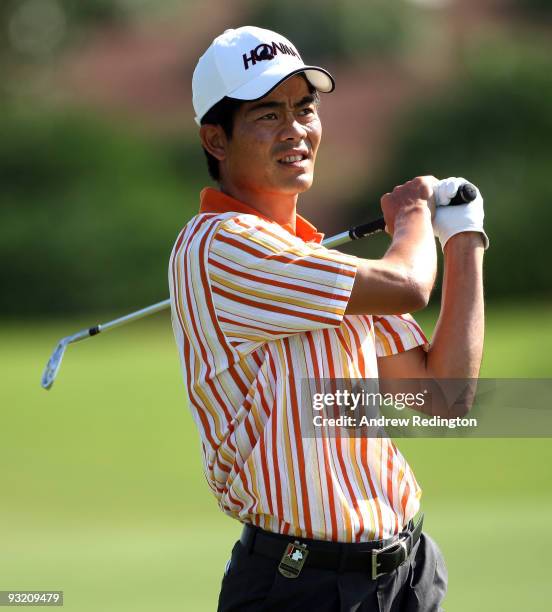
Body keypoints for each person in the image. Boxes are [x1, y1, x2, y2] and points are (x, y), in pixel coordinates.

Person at [169, 26, 488, 611]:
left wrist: (465, 237)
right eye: (268, 114)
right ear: (216, 138)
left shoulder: (318, 262)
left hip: (407, 573)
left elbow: (445, 396)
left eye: (305, 108)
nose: (296, 129)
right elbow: (408, 285)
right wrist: (414, 216)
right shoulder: (218, 247)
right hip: (301, 585)